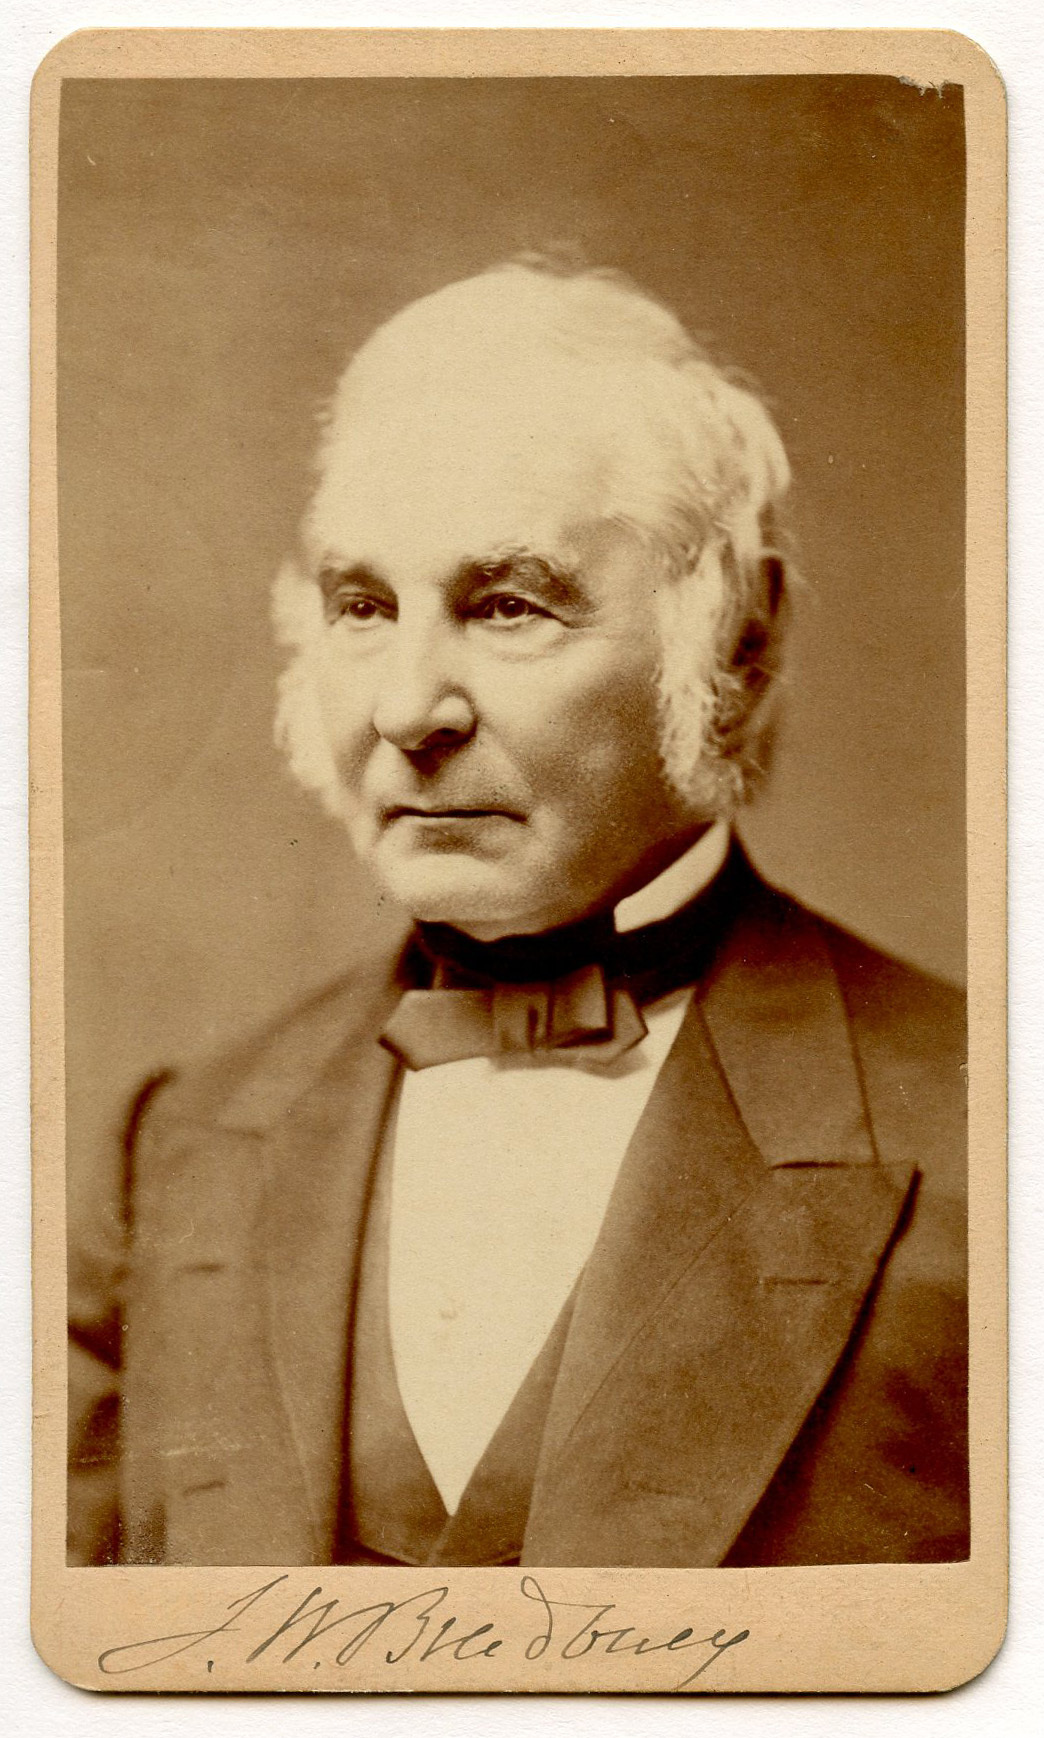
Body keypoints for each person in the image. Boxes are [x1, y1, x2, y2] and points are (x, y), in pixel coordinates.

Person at [68, 259, 968, 1569]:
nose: (406, 708)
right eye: (363, 606)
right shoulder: (178, 1147)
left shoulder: (993, 1139)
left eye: (507, 605)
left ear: (740, 639)